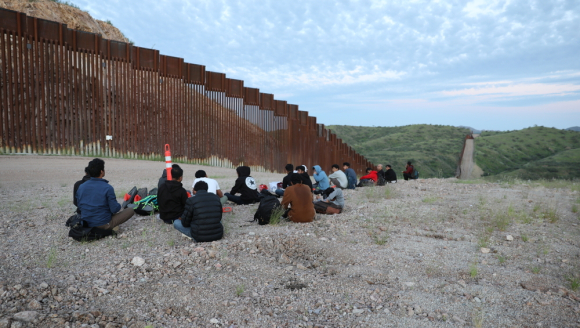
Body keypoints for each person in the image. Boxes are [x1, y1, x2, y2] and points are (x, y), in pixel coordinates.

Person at [76, 158, 134, 230]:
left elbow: (79, 205)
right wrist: (119, 205)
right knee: (130, 210)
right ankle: (109, 227)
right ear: (101, 171)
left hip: (86, 223)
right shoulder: (107, 187)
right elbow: (115, 209)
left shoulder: (81, 187)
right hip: (102, 224)